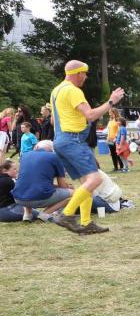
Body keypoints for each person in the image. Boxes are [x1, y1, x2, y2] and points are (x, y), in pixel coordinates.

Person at [48, 61, 125, 234]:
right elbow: (90, 115)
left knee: (86, 184)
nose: (86, 77)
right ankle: (66, 214)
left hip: (60, 140)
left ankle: (85, 223)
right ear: (77, 73)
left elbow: (54, 120)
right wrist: (111, 101)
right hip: (73, 140)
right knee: (95, 180)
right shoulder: (73, 90)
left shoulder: (56, 91)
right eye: (85, 73)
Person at [12, 140, 73, 226]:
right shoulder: (54, 157)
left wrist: (55, 187)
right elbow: (62, 186)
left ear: (36, 147)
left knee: (27, 185)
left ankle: (27, 215)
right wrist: (68, 188)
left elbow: (32, 179)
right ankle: (44, 214)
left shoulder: (24, 156)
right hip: (39, 196)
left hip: (19, 198)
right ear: (52, 150)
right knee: (72, 194)